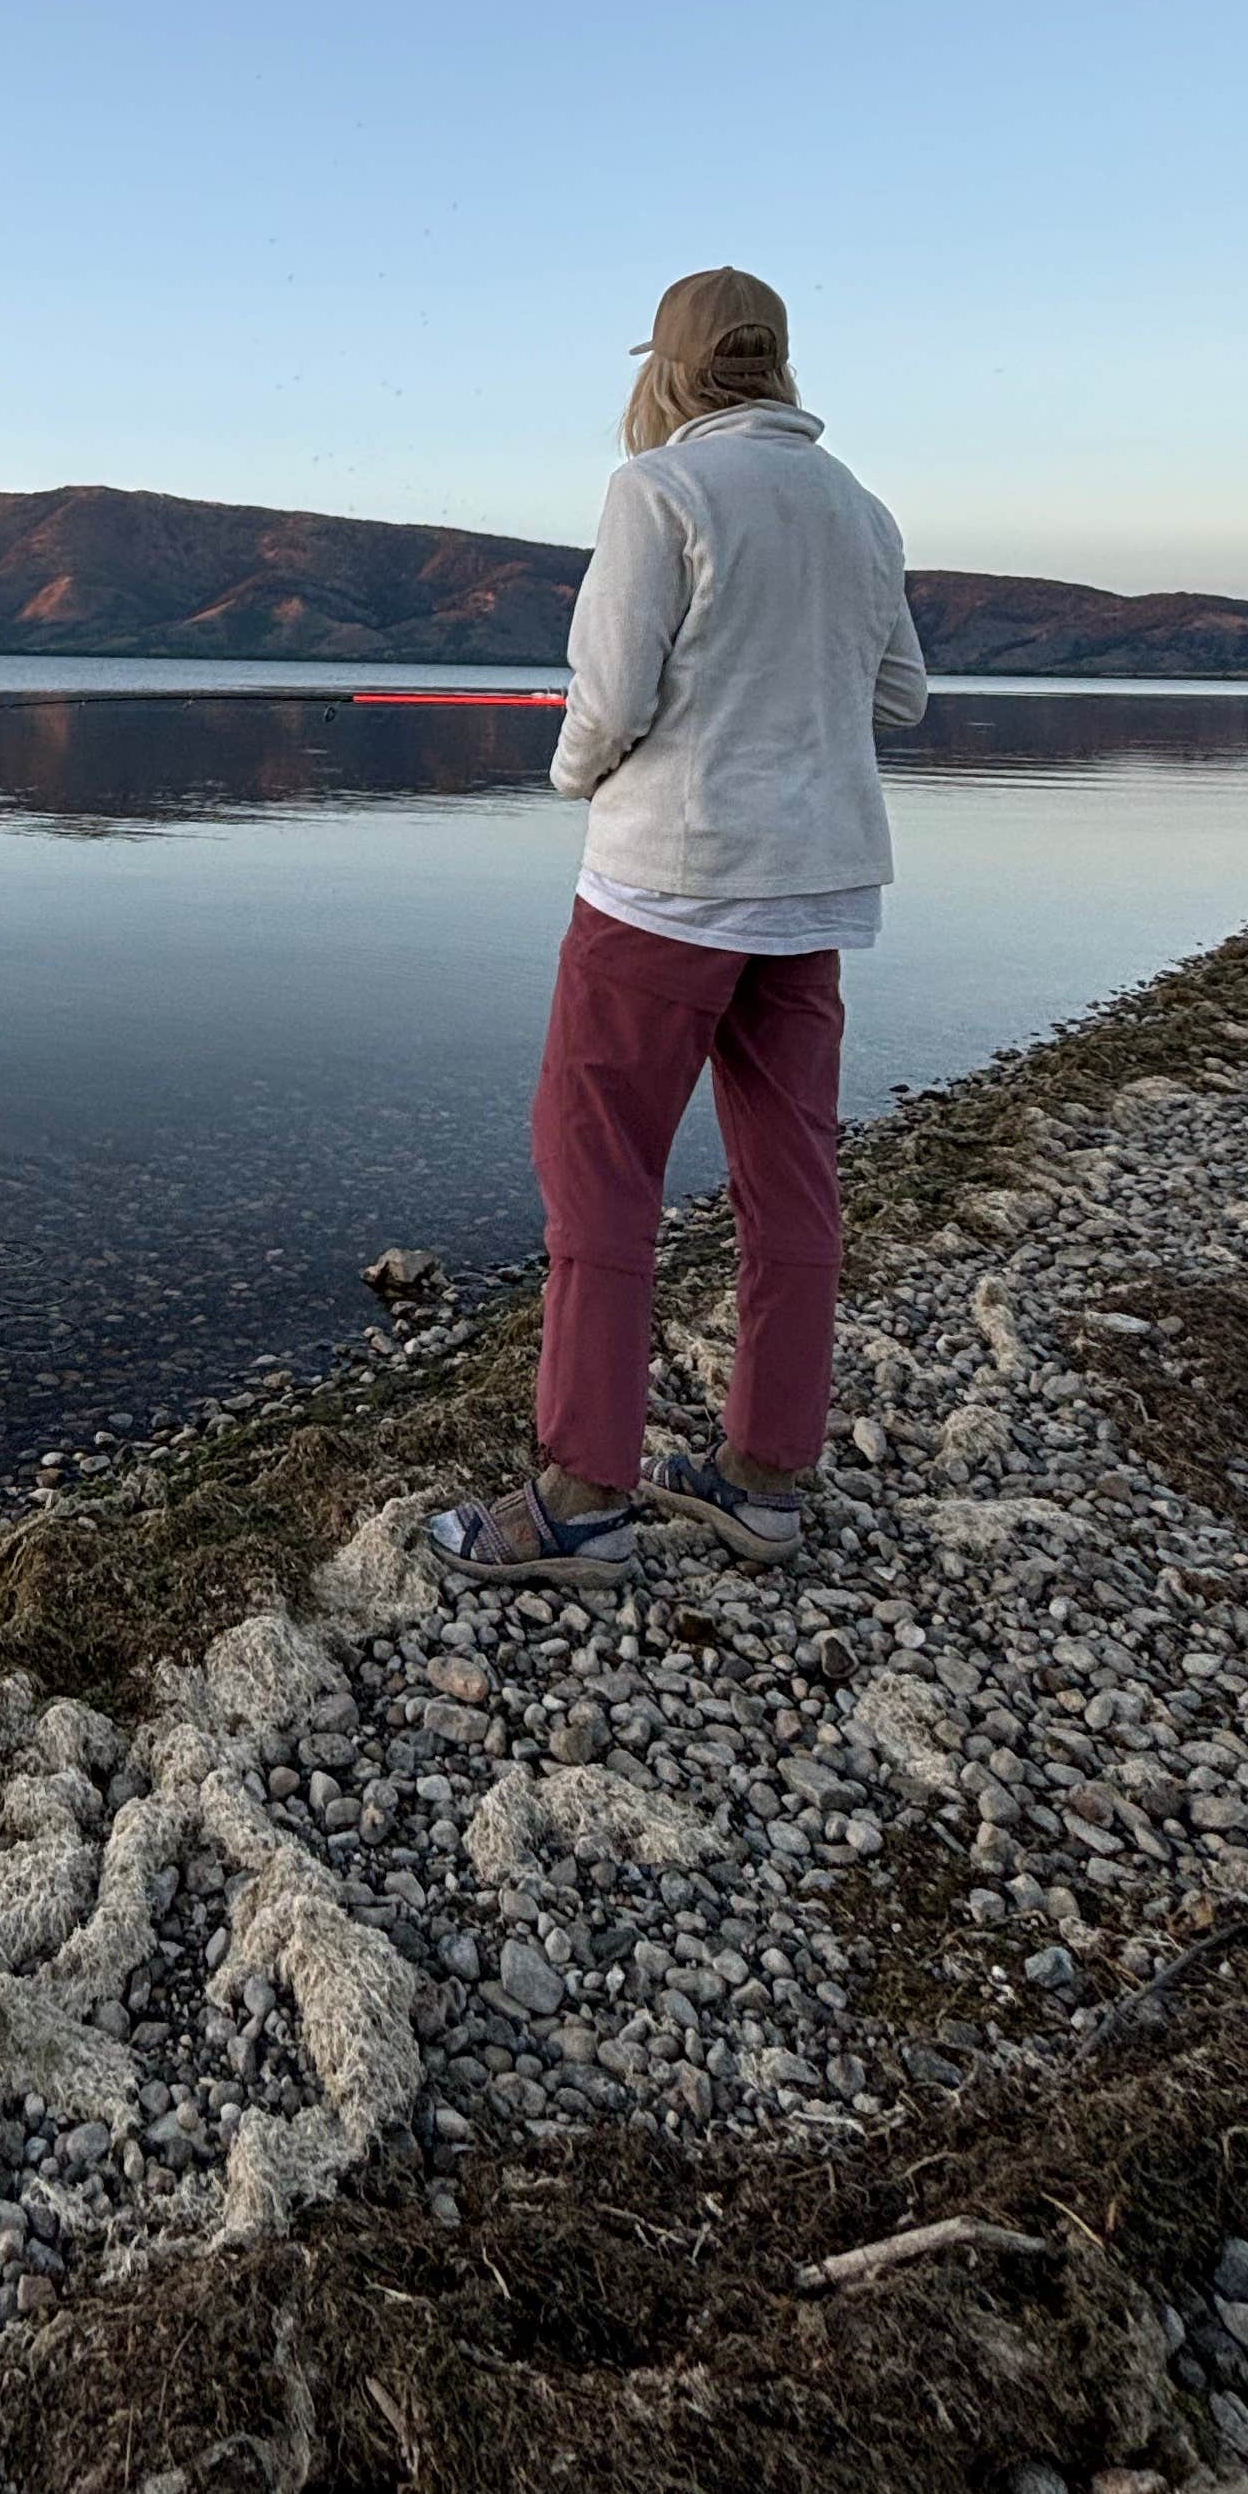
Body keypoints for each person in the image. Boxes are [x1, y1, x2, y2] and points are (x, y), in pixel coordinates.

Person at [432, 266, 927, 1588]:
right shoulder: (861, 511)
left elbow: (605, 701)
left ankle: (582, 1497)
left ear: (666, 369)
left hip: (664, 889)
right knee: (791, 1170)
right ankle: (765, 1479)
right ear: (779, 366)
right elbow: (903, 697)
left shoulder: (658, 491)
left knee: (596, 1166)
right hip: (811, 890)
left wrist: (574, 775)